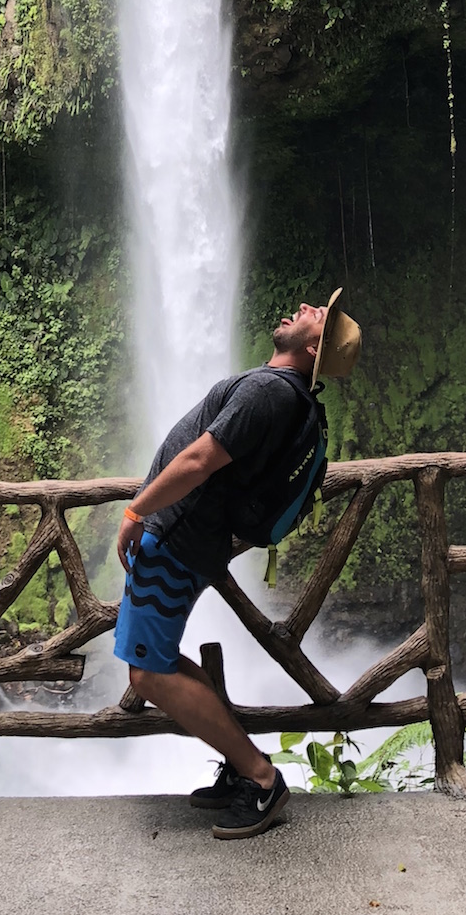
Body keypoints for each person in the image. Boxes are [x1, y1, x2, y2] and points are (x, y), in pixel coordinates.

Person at [113, 289, 362, 839]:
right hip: (190, 537)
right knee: (154, 662)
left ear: (315, 343)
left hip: (177, 537)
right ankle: (241, 765)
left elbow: (201, 459)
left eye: (314, 313)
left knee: (147, 671)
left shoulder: (268, 392)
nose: (301, 307)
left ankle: (261, 778)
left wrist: (137, 509)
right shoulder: (287, 394)